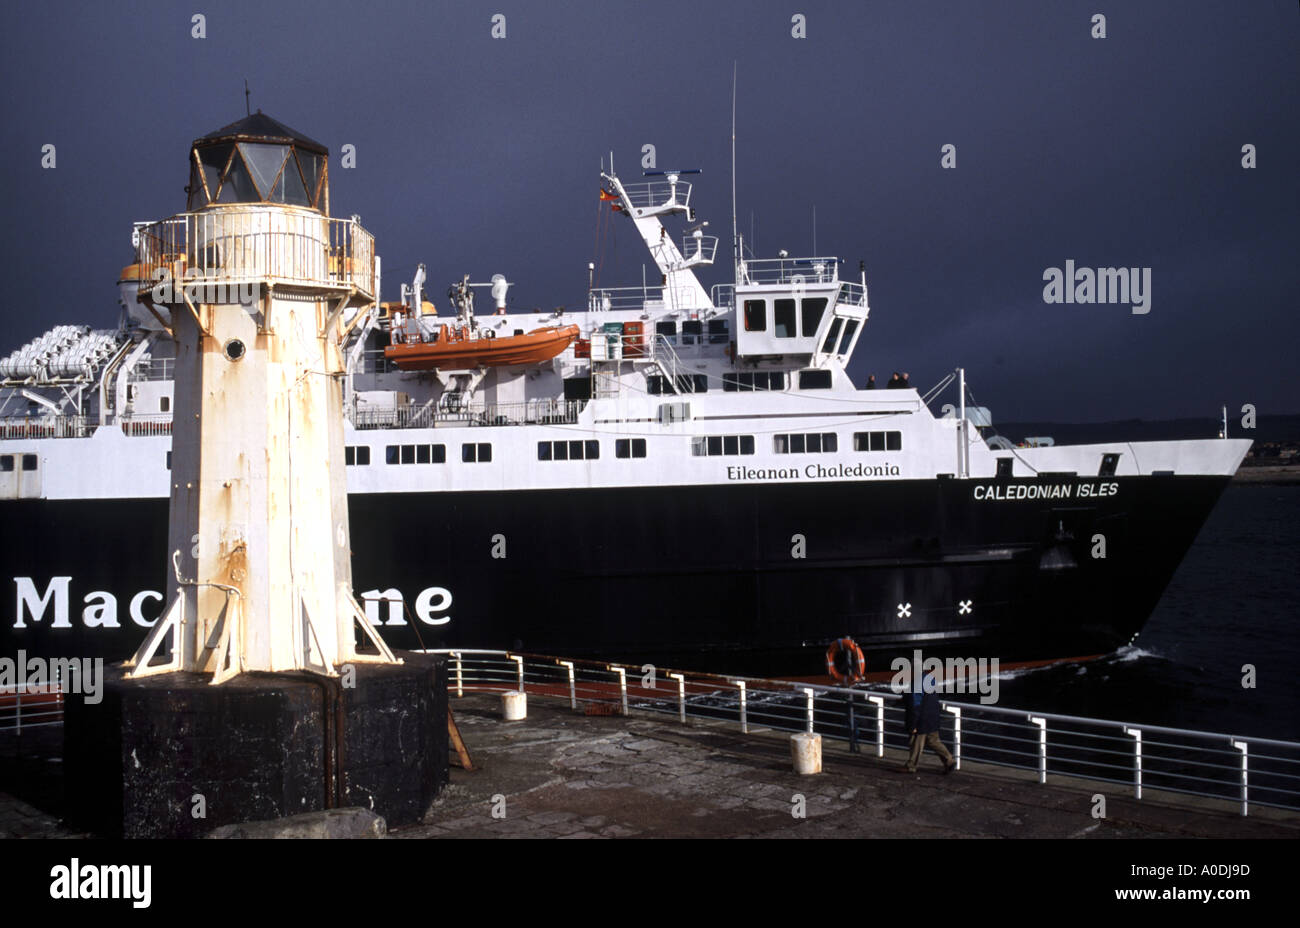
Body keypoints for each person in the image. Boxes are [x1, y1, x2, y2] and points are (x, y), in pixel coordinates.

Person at [903, 671, 956, 774]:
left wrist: (913, 723)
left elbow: (915, 703)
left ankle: (911, 765)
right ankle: (949, 760)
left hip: (922, 718)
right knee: (933, 741)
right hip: (933, 715)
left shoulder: (917, 682)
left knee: (916, 741)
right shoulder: (930, 679)